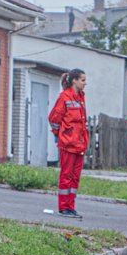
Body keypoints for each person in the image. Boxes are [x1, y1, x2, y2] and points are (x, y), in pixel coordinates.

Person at [49, 68, 88, 218]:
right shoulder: (64, 97)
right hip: (68, 143)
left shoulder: (81, 97)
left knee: (74, 177)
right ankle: (63, 207)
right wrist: (59, 135)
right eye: (83, 80)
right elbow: (54, 119)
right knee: (66, 175)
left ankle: (70, 206)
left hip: (79, 144)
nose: (85, 83)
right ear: (74, 81)